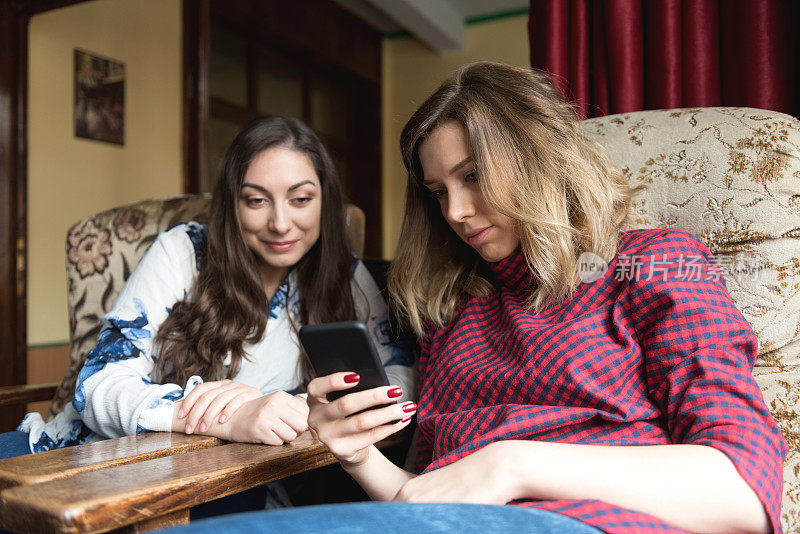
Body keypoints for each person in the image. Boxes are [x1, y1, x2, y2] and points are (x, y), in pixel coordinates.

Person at [169, 62, 786, 534]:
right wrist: (357, 456)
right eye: (438, 192)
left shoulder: (653, 264)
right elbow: (428, 497)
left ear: (540, 159)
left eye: (473, 176)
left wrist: (513, 464)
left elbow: (745, 494)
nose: (457, 213)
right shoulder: (452, 308)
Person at [0, 116, 415, 463]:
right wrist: (229, 415)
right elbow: (96, 385)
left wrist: (307, 410)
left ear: (325, 201)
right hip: (87, 456)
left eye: (301, 199)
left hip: (226, 477)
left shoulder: (343, 273)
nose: (281, 223)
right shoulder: (184, 250)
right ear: (232, 204)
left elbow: (401, 378)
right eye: (256, 201)